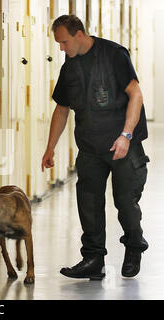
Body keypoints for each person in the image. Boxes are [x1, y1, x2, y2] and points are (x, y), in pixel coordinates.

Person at [42, 15, 149, 280]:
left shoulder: (113, 55)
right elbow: (62, 108)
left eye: (64, 42)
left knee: (126, 202)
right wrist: (50, 148)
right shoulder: (70, 66)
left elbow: (135, 94)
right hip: (90, 146)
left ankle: (134, 247)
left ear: (79, 34)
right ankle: (93, 258)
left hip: (122, 144)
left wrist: (126, 135)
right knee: (88, 203)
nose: (61, 48)